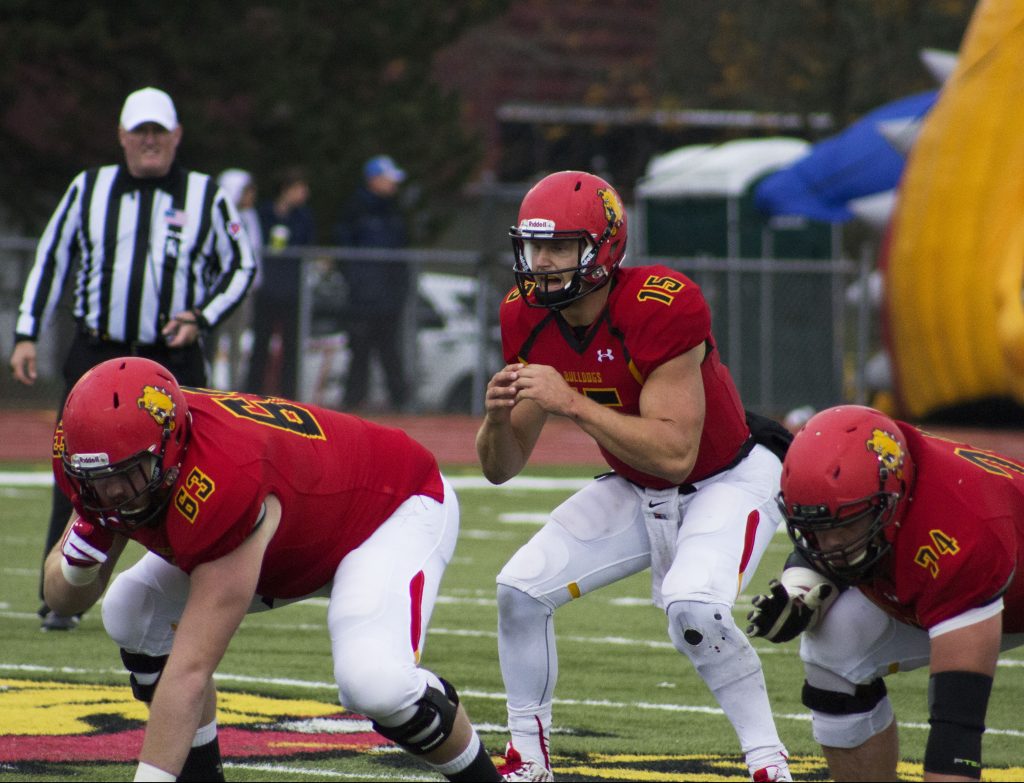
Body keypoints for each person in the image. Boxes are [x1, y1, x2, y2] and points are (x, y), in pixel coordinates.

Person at [43, 356, 501, 783]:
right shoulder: (105, 463)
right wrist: (82, 564)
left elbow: (190, 669)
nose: (110, 494)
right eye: (96, 482)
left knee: (376, 683)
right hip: (289, 536)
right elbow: (62, 598)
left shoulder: (223, 477)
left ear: (169, 451)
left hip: (387, 508)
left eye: (126, 475)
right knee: (130, 612)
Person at [476, 170, 793, 782]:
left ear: (604, 246)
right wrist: (495, 422)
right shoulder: (523, 315)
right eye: (534, 246)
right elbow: (501, 468)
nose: (541, 262)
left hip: (727, 477)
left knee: (694, 609)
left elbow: (676, 453)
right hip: (638, 485)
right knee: (519, 590)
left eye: (559, 247)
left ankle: (768, 763)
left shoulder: (661, 304)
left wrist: (570, 402)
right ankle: (527, 760)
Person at [9, 86, 256, 631]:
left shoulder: (203, 193)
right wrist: (26, 332)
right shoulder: (88, 188)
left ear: (176, 137)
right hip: (99, 351)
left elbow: (240, 266)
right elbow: (51, 258)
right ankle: (61, 595)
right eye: (140, 131)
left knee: (191, 473)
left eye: (159, 131)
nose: (149, 140)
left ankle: (190, 595)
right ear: (122, 136)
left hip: (173, 361)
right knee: (77, 472)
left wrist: (200, 316)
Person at [746, 404, 1024, 782]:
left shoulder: (962, 536)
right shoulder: (885, 471)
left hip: (996, 579)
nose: (830, 547)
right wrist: (800, 591)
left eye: (846, 526)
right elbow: (828, 537)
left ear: (892, 498)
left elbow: (957, 731)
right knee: (833, 645)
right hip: (948, 561)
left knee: (953, 722)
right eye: (816, 527)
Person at [334, 154, 412, 412]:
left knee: (390, 353)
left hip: (388, 296)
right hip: (362, 297)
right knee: (359, 353)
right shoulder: (355, 209)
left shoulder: (394, 210)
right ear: (374, 180)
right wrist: (358, 281)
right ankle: (353, 402)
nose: (392, 186)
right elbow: (344, 250)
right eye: (388, 180)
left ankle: (401, 402)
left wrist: (398, 287)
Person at [245, 165, 315, 399]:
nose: (304, 194)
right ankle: (252, 392)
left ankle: (289, 394)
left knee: (291, 346)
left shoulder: (303, 217)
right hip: (267, 290)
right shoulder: (264, 214)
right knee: (261, 343)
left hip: (293, 291)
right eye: (299, 188)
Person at [211, 168, 264, 388]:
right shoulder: (218, 216)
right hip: (220, 290)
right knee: (214, 341)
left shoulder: (250, 217)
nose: (251, 197)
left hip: (245, 291)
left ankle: (234, 388)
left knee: (238, 342)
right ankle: (209, 386)